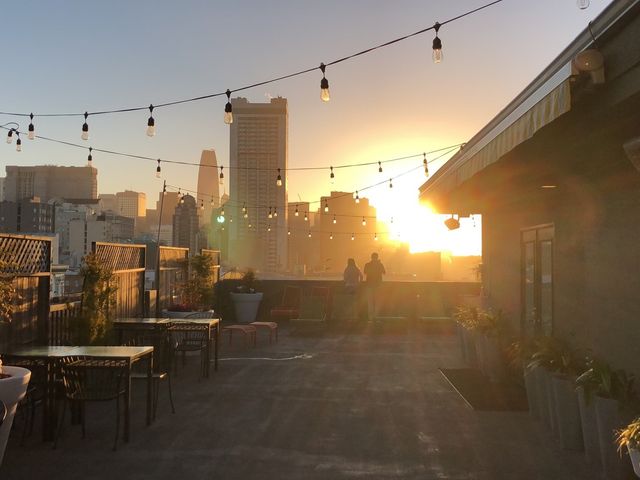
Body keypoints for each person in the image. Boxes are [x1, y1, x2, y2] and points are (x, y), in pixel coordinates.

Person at [363, 252, 386, 321]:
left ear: (371, 257)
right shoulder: (380, 264)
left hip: (369, 285)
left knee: (370, 301)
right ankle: (376, 316)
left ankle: (370, 317)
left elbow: (365, 272)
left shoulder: (367, 264)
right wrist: (379, 264)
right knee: (377, 301)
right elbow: (384, 272)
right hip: (378, 285)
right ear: (377, 257)